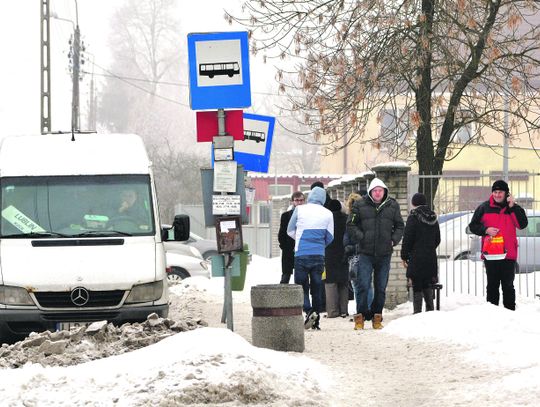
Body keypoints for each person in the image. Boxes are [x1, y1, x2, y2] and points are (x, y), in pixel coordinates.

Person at [346, 177, 404, 330]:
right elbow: (351, 224)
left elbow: (400, 226)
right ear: (371, 192)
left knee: (380, 287)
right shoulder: (360, 204)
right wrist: (361, 237)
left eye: (380, 191)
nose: (378, 193)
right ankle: (361, 316)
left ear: (384, 191)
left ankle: (377, 316)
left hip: (384, 253)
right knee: (363, 285)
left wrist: (393, 240)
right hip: (365, 252)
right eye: (375, 191)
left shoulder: (392, 205)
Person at [468, 180, 528, 310]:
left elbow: (522, 224)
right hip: (491, 255)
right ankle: (492, 314)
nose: (497, 194)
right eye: (495, 192)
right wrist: (485, 230)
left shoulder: (514, 208)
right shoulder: (484, 208)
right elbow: (473, 226)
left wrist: (512, 207)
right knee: (492, 286)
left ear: (506, 193)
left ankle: (510, 314)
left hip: (508, 254)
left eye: (500, 192)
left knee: (508, 286)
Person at [287, 186, 334, 330]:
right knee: (317, 286)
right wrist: (319, 245)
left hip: (301, 254)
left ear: (310, 196)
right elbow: (330, 237)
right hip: (318, 255)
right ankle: (316, 318)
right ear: (323, 199)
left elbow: (289, 230)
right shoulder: (328, 213)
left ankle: (308, 310)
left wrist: (300, 239)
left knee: (301, 287)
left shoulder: (300, 209)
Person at [401, 193, 441, 314]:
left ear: (413, 203)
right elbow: (438, 239)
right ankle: (430, 312)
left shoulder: (413, 217)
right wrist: (429, 248)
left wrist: (404, 255)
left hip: (416, 257)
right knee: (428, 283)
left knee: (417, 284)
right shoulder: (433, 217)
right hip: (430, 257)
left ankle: (417, 313)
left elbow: (407, 238)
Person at [343, 191, 374, 317]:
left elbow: (346, 240)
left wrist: (350, 248)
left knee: (357, 285)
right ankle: (370, 310)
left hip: (355, 256)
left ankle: (361, 312)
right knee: (368, 284)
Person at [324, 199, 349, 318]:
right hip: (344, 252)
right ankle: (344, 310)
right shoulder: (346, 219)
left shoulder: (325, 220)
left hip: (329, 253)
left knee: (330, 283)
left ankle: (333, 311)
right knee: (343, 282)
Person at [278, 191, 305, 284]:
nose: (299, 203)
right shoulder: (286, 215)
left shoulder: (307, 215)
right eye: (297, 200)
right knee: (286, 276)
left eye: (301, 200)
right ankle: (282, 296)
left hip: (303, 249)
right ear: (292, 201)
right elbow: (282, 233)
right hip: (288, 249)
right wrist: (284, 246)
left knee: (302, 278)